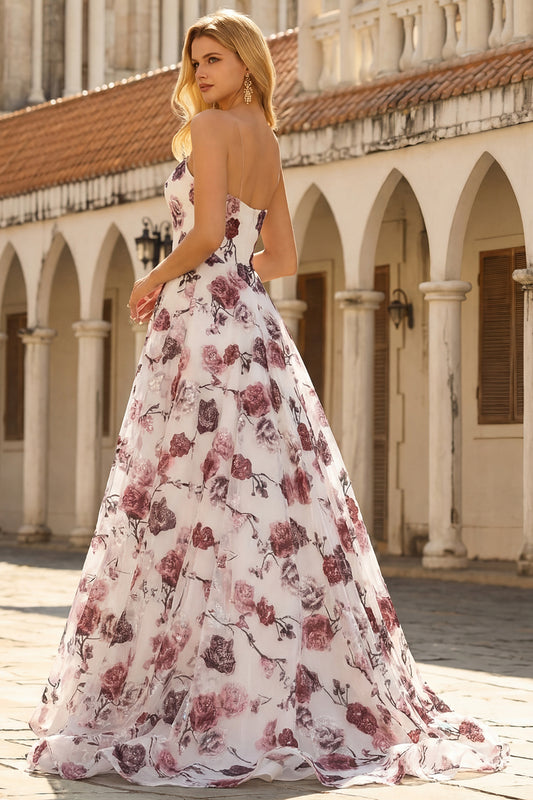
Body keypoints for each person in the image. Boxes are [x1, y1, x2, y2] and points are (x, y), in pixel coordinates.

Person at [27, 9, 509, 789]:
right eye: (196, 60)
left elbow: (205, 236)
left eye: (214, 59)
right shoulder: (267, 139)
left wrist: (155, 279)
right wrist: (225, 270)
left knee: (185, 487)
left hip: (200, 320)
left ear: (247, 64)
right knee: (271, 489)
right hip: (250, 322)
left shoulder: (213, 131)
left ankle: (192, 670)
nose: (202, 72)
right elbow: (276, 255)